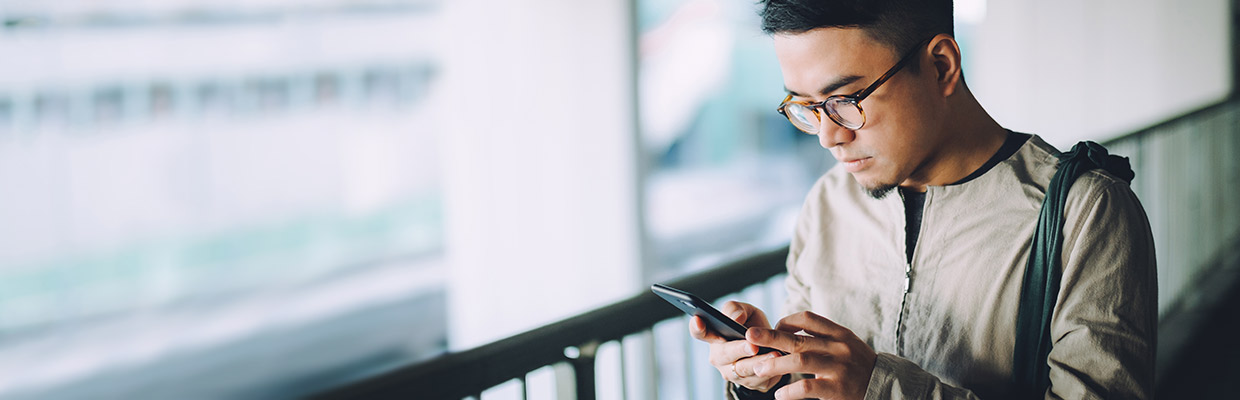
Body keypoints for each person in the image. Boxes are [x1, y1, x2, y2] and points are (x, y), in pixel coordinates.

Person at [688, 1, 1157, 399]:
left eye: (846, 99)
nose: (828, 137)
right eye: (806, 107)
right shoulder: (828, 203)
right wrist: (768, 374)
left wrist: (882, 388)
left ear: (940, 66)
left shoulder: (1087, 213)